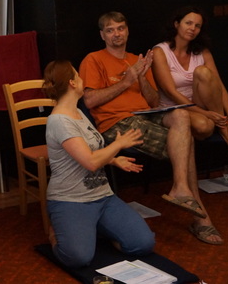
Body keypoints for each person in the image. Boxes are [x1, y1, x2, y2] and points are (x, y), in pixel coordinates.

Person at [79, 11, 223, 245]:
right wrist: (127, 81)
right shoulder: (93, 59)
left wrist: (141, 77)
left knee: (181, 115)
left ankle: (181, 187)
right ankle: (200, 218)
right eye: (110, 30)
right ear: (102, 35)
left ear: (127, 31)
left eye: (121, 28)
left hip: (145, 115)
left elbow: (155, 102)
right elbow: (89, 100)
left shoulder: (136, 59)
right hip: (116, 123)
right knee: (185, 144)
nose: (117, 34)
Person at [43, 60, 154, 268]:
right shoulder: (59, 121)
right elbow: (91, 161)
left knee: (143, 244)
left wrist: (113, 160)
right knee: (78, 258)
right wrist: (119, 144)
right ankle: (55, 232)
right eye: (78, 75)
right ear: (72, 83)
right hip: (70, 200)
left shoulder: (79, 113)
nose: (81, 79)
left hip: (103, 197)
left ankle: (95, 229)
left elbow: (88, 152)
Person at [151, 6, 228, 153]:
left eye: (197, 26)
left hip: (200, 104)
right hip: (174, 109)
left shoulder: (202, 52)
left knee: (203, 72)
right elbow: (170, 92)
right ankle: (218, 125)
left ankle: (222, 127)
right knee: (204, 126)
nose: (192, 28)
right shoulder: (160, 51)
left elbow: (218, 85)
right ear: (176, 24)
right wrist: (206, 114)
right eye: (188, 23)